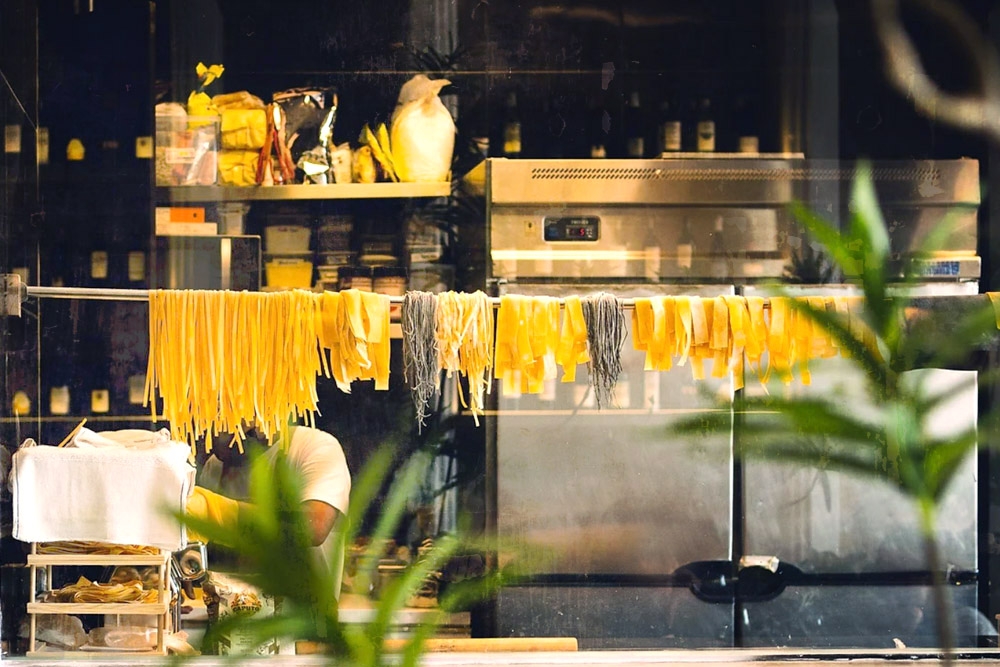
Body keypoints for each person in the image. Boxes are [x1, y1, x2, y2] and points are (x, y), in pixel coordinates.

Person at [186, 422, 351, 595]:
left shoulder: (313, 447)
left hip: (303, 617)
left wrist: (220, 511)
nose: (208, 436)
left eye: (221, 412)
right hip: (234, 614)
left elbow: (312, 526)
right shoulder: (215, 466)